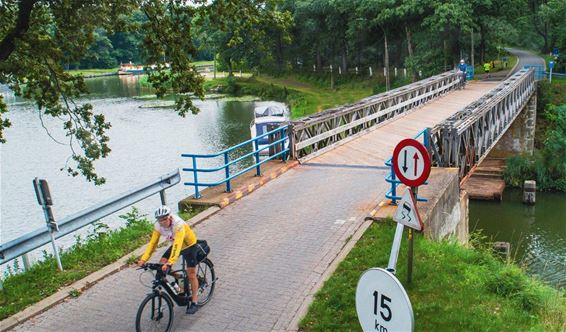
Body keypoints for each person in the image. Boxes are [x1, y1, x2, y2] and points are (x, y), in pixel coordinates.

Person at [137, 205, 200, 314]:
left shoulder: (178, 224)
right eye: (160, 220)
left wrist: (170, 263)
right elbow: (153, 244)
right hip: (176, 246)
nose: (162, 222)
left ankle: (194, 301)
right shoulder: (158, 226)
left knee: (191, 273)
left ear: (170, 217)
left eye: (165, 219)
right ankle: (179, 278)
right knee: (161, 264)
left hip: (189, 245)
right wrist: (143, 259)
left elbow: (177, 243)